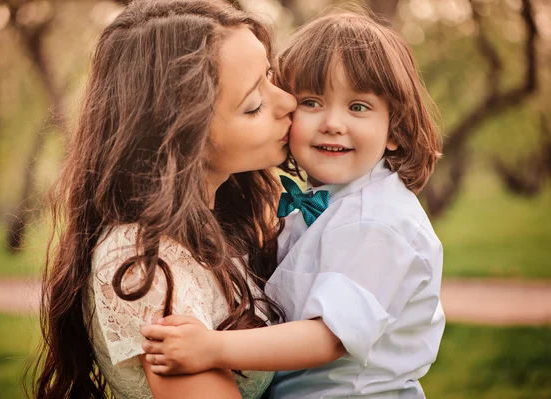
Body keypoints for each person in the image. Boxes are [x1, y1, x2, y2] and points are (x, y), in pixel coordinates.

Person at [141, 10, 446, 399]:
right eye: (312, 102)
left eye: (358, 107)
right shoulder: (329, 203)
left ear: (394, 130)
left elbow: (327, 339)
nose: (333, 123)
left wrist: (213, 348)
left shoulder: (378, 222)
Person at [28, 0, 300, 398]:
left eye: (270, 76)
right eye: (254, 105)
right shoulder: (143, 261)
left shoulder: (220, 223)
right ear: (182, 137)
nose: (288, 102)